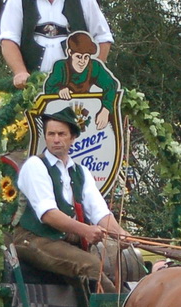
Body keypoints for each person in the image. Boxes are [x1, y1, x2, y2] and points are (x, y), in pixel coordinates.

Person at [9, 112, 139, 288]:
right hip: (33, 240)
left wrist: (120, 233)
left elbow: (99, 211)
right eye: (51, 134)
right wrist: (85, 230)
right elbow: (48, 214)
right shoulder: (35, 165)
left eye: (61, 134)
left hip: (61, 243)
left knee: (99, 270)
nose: (56, 139)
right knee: (91, 265)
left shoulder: (80, 172)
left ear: (73, 138)